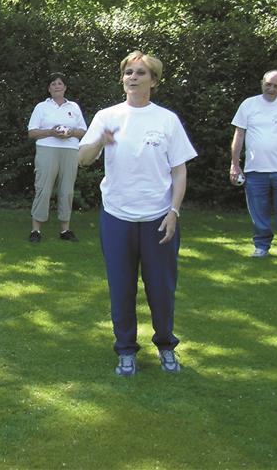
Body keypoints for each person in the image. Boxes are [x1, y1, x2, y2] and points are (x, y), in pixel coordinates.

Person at [79, 51, 197, 377]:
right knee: (121, 289)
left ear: (153, 81)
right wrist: (99, 141)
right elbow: (83, 159)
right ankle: (126, 351)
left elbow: (179, 171)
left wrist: (173, 212)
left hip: (159, 218)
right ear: (122, 79)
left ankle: (166, 346)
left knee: (161, 289)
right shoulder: (107, 116)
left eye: (140, 73)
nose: (133, 77)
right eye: (128, 72)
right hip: (117, 217)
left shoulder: (167, 120)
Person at [230, 70, 277, 262]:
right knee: (258, 212)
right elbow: (239, 135)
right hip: (254, 170)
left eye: (276, 86)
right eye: (268, 84)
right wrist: (235, 164)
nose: (271, 88)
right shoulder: (248, 104)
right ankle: (261, 247)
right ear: (262, 83)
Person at [27, 73, 88, 243]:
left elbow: (83, 131)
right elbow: (32, 132)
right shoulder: (41, 107)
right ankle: (36, 230)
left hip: (70, 150)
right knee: (43, 189)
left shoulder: (74, 107)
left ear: (65, 87)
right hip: (47, 149)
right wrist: (51, 132)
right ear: (49, 89)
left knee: (67, 190)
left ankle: (65, 230)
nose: (57, 86)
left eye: (60, 83)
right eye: (53, 84)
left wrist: (71, 132)